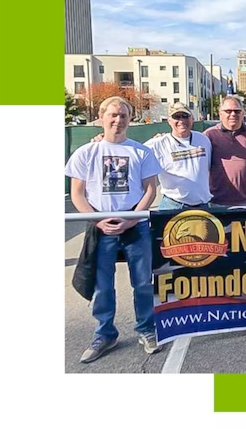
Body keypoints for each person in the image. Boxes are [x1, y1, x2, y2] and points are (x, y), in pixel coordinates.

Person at [64, 96, 162, 363]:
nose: (118, 120)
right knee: (102, 285)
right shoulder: (86, 152)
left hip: (136, 228)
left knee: (142, 283)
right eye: (113, 115)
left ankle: (146, 328)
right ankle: (105, 333)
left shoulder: (141, 152)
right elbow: (77, 194)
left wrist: (132, 218)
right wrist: (98, 220)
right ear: (101, 116)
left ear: (130, 120)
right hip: (101, 228)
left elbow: (150, 189)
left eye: (124, 116)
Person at [143, 102, 213, 209]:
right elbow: (135, 155)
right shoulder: (157, 144)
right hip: (173, 205)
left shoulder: (203, 139)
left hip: (202, 205)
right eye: (176, 117)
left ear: (192, 119)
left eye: (185, 116)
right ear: (169, 121)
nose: (181, 121)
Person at [204, 96, 246, 207]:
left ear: (243, 114)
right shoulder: (209, 135)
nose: (233, 114)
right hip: (218, 201)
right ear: (220, 113)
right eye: (228, 111)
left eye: (237, 111)